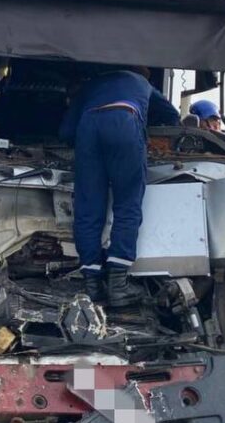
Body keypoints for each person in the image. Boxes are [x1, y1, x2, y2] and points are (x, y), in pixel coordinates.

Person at [59, 66, 179, 307]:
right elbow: (172, 115)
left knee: (89, 207)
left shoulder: (90, 86)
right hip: (125, 122)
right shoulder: (141, 82)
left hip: (88, 128)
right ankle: (118, 285)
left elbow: (65, 132)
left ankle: (92, 284)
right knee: (127, 204)